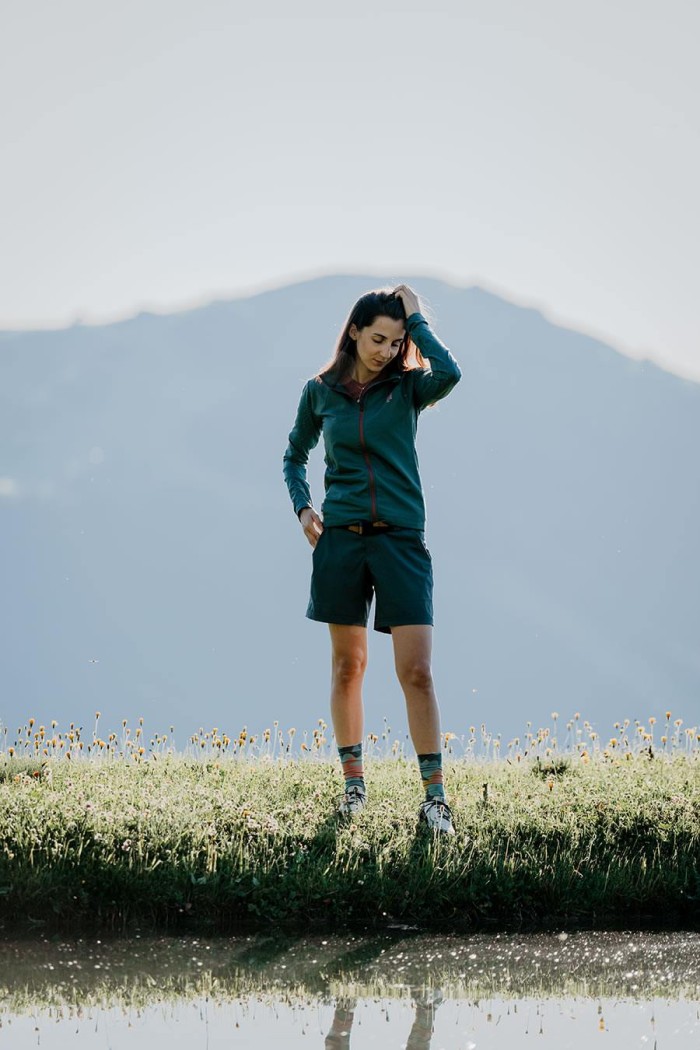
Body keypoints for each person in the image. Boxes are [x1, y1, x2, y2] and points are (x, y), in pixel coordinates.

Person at [282, 283, 461, 834]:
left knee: (417, 671)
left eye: (396, 340)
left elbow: (450, 372)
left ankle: (435, 800)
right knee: (348, 666)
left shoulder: (409, 388)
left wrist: (416, 317)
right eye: (378, 338)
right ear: (354, 331)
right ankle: (354, 787)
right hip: (341, 541)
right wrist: (303, 508)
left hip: (401, 540)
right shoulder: (320, 392)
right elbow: (294, 456)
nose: (386, 350)